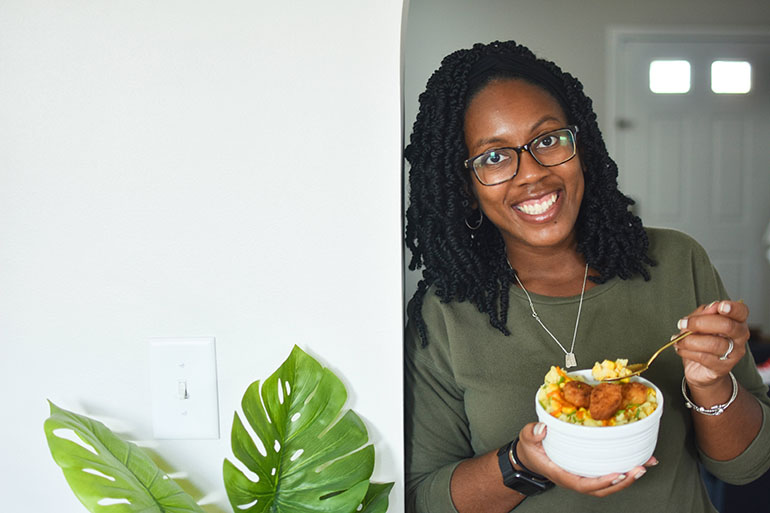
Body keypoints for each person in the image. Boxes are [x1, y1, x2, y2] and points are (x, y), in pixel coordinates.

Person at [403, 40, 770, 513]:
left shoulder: (679, 261)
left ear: (583, 148)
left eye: (548, 140)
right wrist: (522, 464)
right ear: (466, 189)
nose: (531, 174)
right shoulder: (446, 314)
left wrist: (713, 383)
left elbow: (746, 467)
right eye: (494, 157)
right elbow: (423, 499)